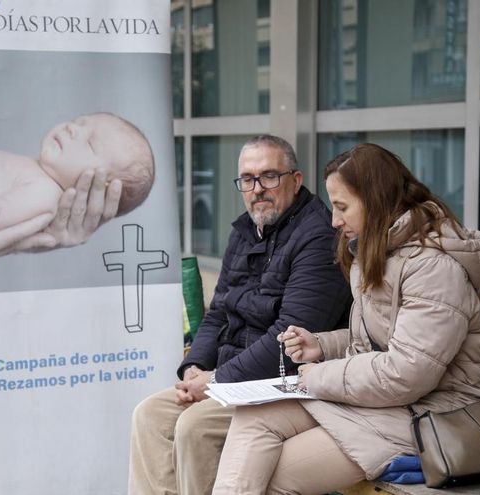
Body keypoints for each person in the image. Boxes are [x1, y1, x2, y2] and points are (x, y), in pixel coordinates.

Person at [212, 143, 480, 494]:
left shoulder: (433, 268)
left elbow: (406, 372)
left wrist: (318, 376)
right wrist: (321, 345)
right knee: (252, 417)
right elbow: (380, 338)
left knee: (273, 477)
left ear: (375, 201)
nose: (334, 220)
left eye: (342, 207)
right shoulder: (377, 251)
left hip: (434, 414)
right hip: (383, 404)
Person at [128, 135, 352, 495]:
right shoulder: (245, 231)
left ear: (295, 180)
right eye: (247, 179)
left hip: (285, 382)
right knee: (150, 415)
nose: (257, 188)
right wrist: (195, 366)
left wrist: (217, 380)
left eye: (269, 176)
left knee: (195, 427)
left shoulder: (319, 236)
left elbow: (290, 339)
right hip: (231, 377)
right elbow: (218, 311)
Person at [0, 112, 154, 269]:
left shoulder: (44, 194)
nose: (72, 128)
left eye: (90, 144)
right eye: (79, 122)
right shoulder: (35, 171)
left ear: (97, 189)